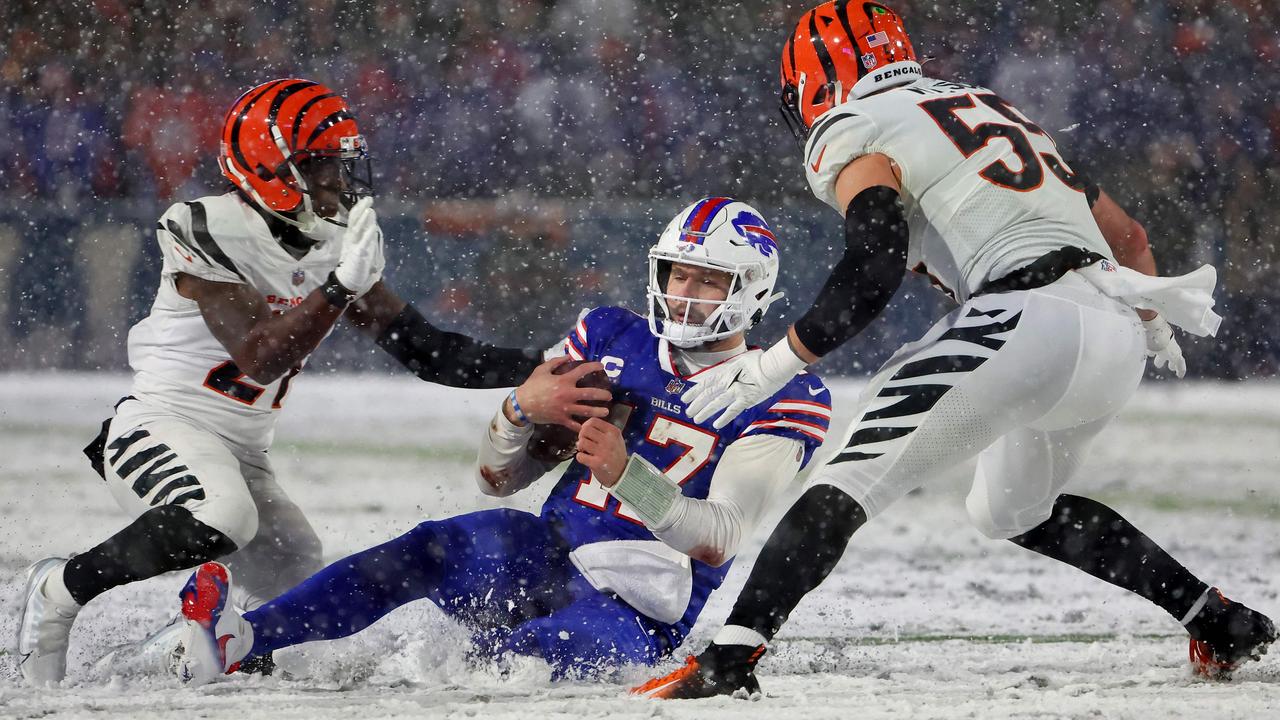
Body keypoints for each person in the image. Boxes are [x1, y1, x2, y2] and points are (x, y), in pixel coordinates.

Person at [634, 2, 1275, 699]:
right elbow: (1127, 235)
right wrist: (1149, 318)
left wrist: (774, 362)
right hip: (1114, 331)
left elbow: (874, 259)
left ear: (814, 80)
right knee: (1011, 510)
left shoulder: (853, 126)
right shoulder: (984, 103)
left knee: (848, 480)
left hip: (1025, 317)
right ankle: (1215, 619)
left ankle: (729, 659)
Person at [16, 78, 590, 687]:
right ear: (267, 168)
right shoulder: (202, 224)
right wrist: (339, 286)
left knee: (294, 593)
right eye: (319, 166)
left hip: (243, 448)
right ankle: (60, 588)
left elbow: (429, 353)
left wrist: (549, 357)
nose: (338, 183)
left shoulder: (334, 240)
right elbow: (260, 355)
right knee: (222, 514)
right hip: (163, 423)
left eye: (341, 166)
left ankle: (167, 656)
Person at [167, 198, 832, 684]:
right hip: (544, 555)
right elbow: (495, 479)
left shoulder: (787, 394)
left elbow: (720, 536)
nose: (685, 293)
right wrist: (518, 410)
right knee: (428, 548)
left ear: (752, 291)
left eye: (709, 279)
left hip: (637, 608)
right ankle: (246, 638)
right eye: (678, 274)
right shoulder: (610, 335)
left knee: (513, 667)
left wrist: (629, 475)